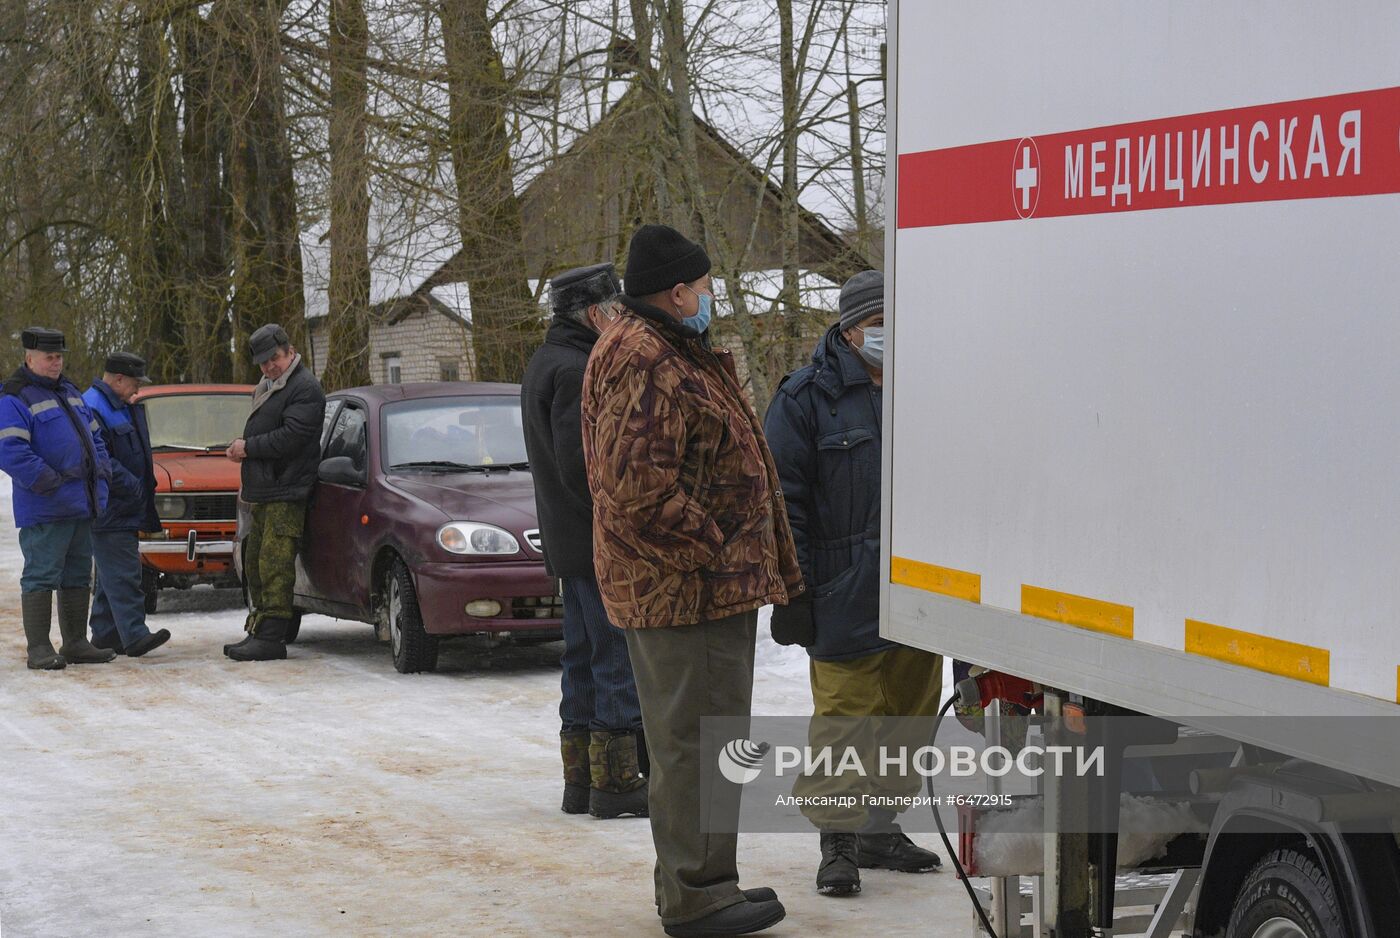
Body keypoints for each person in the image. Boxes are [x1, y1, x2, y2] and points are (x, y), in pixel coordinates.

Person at [582, 225, 804, 938]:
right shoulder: (644, 357)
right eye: (704, 286)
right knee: (700, 744)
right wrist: (714, 547)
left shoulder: (663, 347)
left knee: (698, 741)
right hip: (688, 592)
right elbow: (637, 491)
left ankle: (701, 880)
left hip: (692, 588)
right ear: (677, 291)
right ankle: (698, 892)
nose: (710, 297)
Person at [763, 269, 945, 897]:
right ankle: (837, 841)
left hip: (919, 592)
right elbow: (782, 503)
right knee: (846, 723)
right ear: (850, 328)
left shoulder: (927, 388)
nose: (891, 337)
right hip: (843, 587)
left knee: (909, 718)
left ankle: (878, 827)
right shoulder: (804, 399)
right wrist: (794, 592)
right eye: (879, 326)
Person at [521, 262, 648, 820]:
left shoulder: (547, 360)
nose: (621, 319)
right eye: (616, 310)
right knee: (613, 653)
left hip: (568, 538)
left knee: (582, 655)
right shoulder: (578, 368)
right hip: (595, 537)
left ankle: (581, 780)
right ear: (595, 314)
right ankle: (616, 783)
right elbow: (582, 468)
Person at [0, 327, 116, 670]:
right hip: (45, 506)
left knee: (78, 573)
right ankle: (38, 648)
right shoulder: (15, 397)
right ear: (29, 357)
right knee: (41, 574)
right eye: (49, 357)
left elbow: (95, 439)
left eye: (59, 356)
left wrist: (103, 473)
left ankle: (76, 643)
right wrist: (48, 481)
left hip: (81, 502)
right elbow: (10, 451)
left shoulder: (70, 391)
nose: (56, 362)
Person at [222, 324, 326, 662]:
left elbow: (292, 437)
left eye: (275, 359)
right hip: (266, 488)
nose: (270, 366)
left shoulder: (304, 388)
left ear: (289, 350)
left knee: (275, 563)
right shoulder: (270, 385)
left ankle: (271, 637)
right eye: (264, 362)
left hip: (287, 488)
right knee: (255, 561)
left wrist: (248, 448)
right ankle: (258, 628)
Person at [83, 352, 171, 658]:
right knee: (124, 570)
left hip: (121, 504)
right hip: (111, 505)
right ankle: (134, 635)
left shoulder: (115, 405)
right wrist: (134, 486)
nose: (137, 391)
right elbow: (99, 459)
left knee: (111, 574)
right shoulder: (93, 406)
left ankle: (106, 636)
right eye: (134, 384)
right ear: (118, 379)